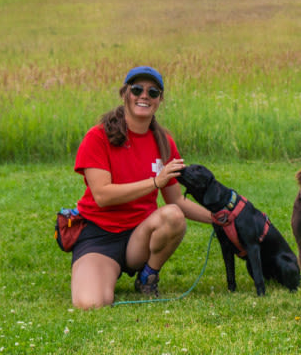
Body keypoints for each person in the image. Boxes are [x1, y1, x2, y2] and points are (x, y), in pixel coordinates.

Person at [69, 66, 214, 309]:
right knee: (91, 304)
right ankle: (103, 272)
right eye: (137, 89)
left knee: (173, 216)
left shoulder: (164, 142)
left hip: (139, 236)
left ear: (160, 100)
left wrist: (219, 218)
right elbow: (103, 195)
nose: (144, 96)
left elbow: (176, 202)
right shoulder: (97, 137)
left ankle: (148, 275)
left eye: (153, 92)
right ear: (125, 94)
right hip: (99, 235)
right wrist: (155, 182)